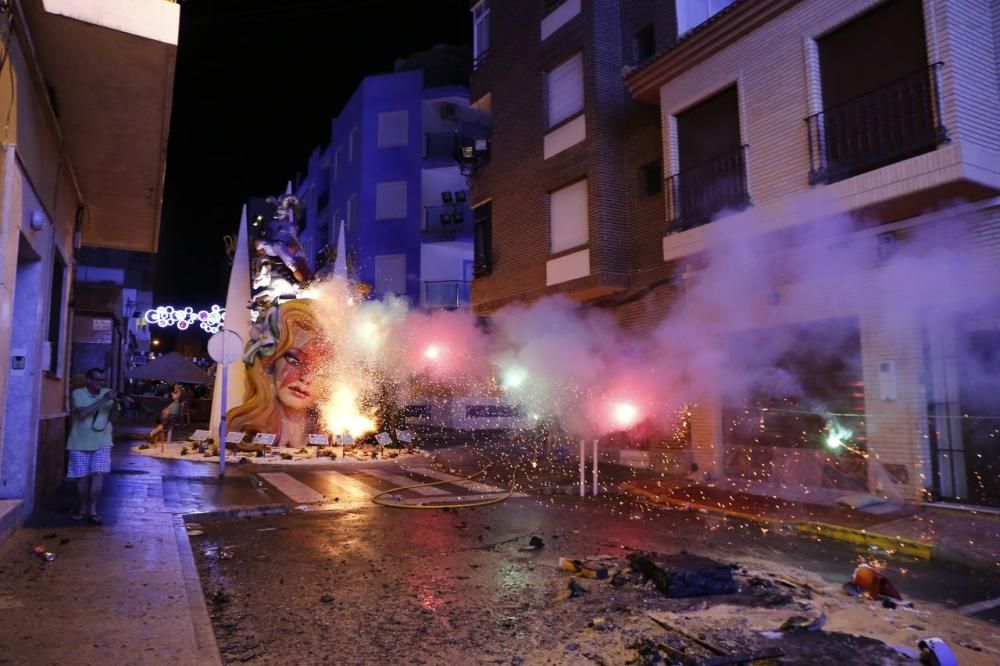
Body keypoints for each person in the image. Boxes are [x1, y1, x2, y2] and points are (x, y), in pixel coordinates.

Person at [227, 299, 326, 448]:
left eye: (321, 370)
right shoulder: (247, 429)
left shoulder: (330, 431)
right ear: (271, 359)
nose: (306, 377)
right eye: (295, 360)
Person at [66, 368, 117, 524]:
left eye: (103, 380)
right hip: (79, 441)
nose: (100, 383)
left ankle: (93, 510)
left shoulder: (108, 392)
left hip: (103, 440)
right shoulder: (77, 393)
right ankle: (83, 508)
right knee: (82, 477)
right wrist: (104, 400)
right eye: (97, 379)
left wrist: (117, 404)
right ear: (88, 380)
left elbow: (114, 417)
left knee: (97, 474)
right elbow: (82, 413)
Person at [149, 384, 184, 449]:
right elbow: (167, 408)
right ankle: (153, 434)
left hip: (172, 415)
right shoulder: (174, 402)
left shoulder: (178, 400)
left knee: (163, 422)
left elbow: (177, 397)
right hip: (170, 415)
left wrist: (175, 392)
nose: (172, 395)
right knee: (162, 421)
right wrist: (165, 410)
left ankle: (153, 433)